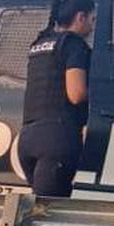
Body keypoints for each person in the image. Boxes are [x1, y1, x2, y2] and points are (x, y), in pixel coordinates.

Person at [18, 0, 97, 197]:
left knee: (39, 208)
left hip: (28, 138)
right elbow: (76, 94)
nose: (93, 25)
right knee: (49, 213)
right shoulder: (74, 44)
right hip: (57, 139)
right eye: (92, 19)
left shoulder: (38, 44)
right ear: (81, 17)